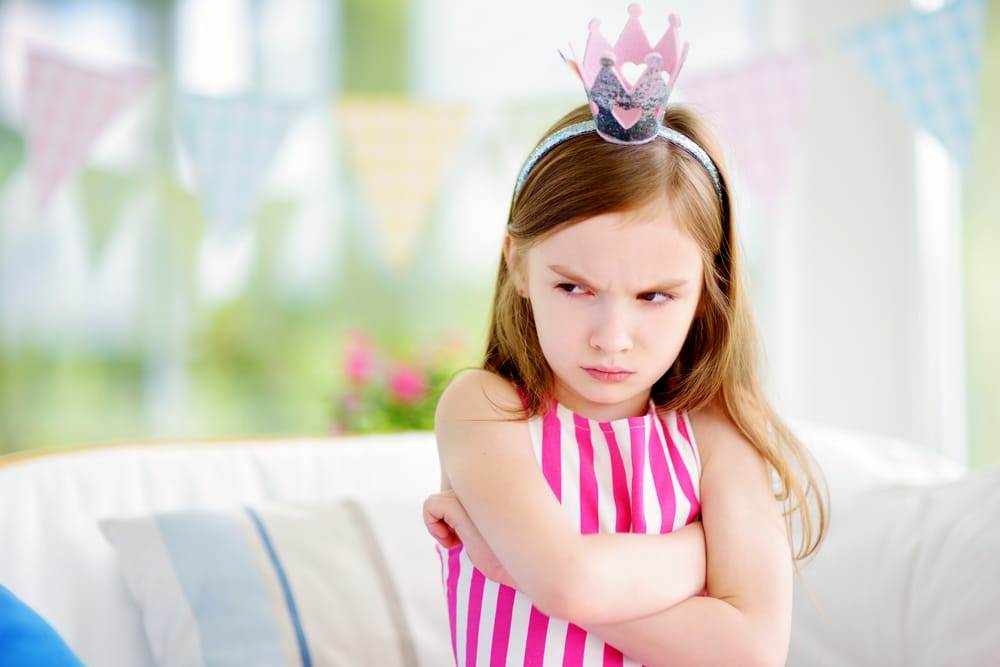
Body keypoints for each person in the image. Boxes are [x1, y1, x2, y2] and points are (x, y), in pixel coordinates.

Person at [422, 5, 829, 665]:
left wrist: (522, 570)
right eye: (574, 288)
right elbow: (570, 582)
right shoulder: (485, 409)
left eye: (655, 297)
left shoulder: (714, 431)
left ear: (707, 290)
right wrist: (699, 552)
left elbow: (753, 651)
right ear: (517, 265)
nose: (612, 338)